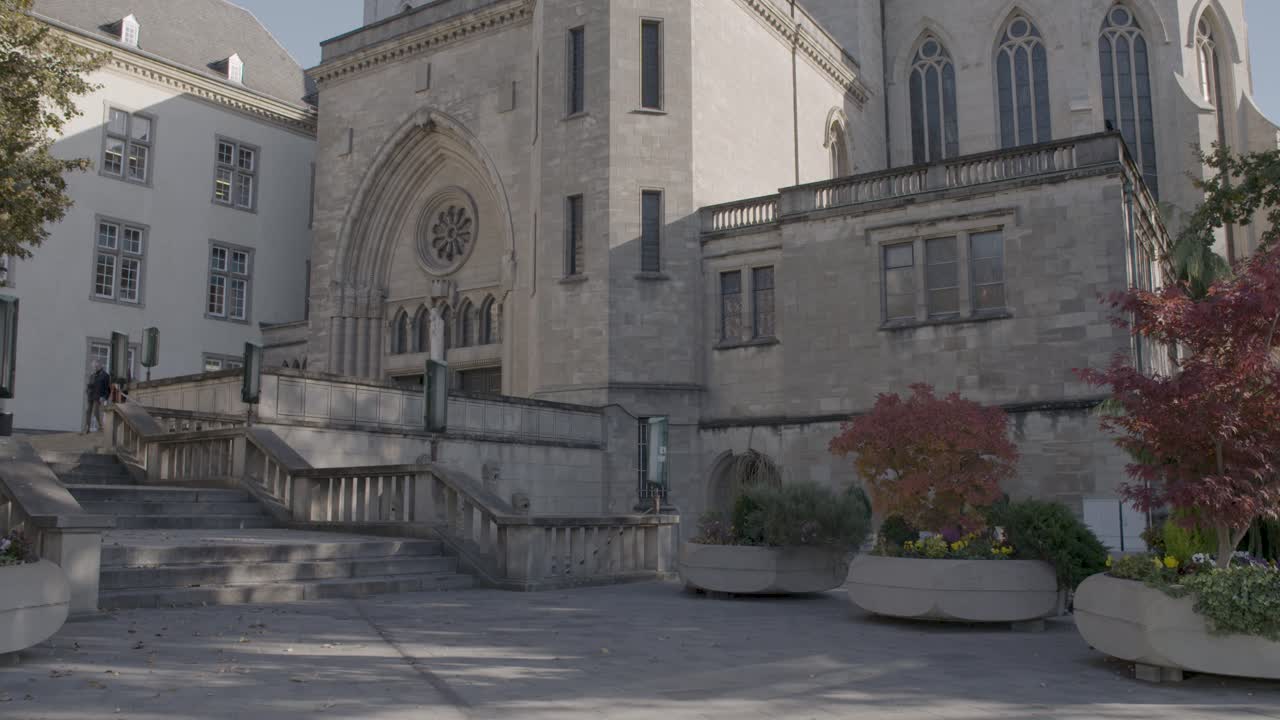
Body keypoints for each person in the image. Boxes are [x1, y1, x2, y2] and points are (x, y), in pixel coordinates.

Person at [84, 362, 110, 434]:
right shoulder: (92, 375)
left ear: (100, 366)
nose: (94, 367)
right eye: (93, 366)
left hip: (98, 396)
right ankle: (87, 427)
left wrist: (105, 397)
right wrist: (87, 389)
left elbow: (108, 388)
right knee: (88, 411)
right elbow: (89, 385)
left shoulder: (105, 375)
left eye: (96, 366)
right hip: (91, 395)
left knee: (96, 411)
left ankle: (100, 426)